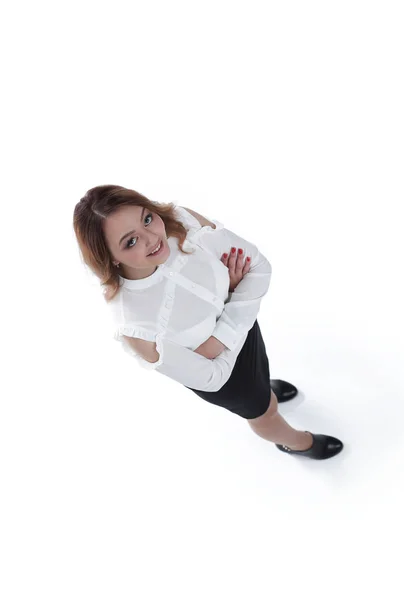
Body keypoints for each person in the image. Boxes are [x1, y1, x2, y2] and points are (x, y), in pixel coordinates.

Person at [73, 185, 343, 460]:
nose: (153, 238)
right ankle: (298, 443)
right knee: (265, 412)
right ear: (110, 259)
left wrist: (216, 341)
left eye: (147, 219)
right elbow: (211, 378)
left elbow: (260, 268)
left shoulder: (182, 222)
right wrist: (237, 297)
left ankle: (265, 388)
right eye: (130, 242)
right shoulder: (134, 327)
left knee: (261, 374)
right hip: (232, 381)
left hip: (243, 338)